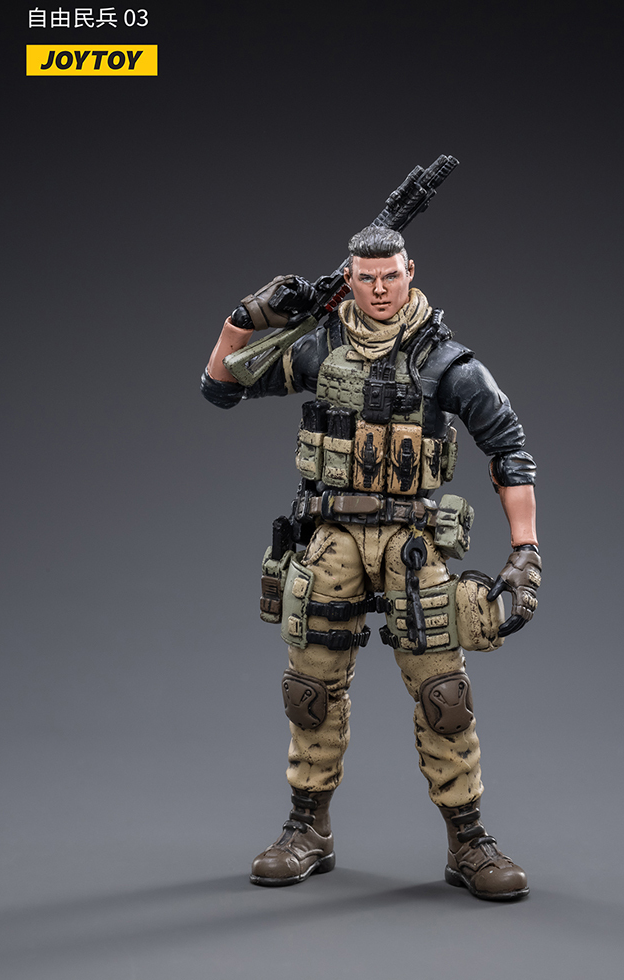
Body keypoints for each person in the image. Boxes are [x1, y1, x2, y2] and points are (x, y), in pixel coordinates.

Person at [201, 226, 541, 901]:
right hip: (332, 538)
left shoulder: (446, 362)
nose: (381, 289)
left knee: (444, 695)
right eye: (366, 277)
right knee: (310, 689)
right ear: (349, 279)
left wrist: (525, 550)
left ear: (411, 271)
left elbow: (509, 449)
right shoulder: (319, 346)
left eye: (391, 275)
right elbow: (221, 386)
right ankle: (308, 828)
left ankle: (468, 840)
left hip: (411, 542)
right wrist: (245, 317)